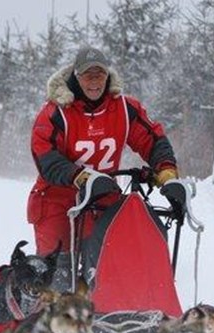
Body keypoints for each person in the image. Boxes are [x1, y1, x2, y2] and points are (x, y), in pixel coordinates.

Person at [27, 46, 178, 257]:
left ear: (108, 76)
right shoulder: (55, 113)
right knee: (57, 272)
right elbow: (46, 157)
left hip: (102, 197)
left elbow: (152, 140)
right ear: (76, 77)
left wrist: (166, 170)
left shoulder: (126, 109)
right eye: (88, 76)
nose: (94, 82)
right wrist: (80, 176)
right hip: (57, 198)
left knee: (105, 264)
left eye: (100, 75)